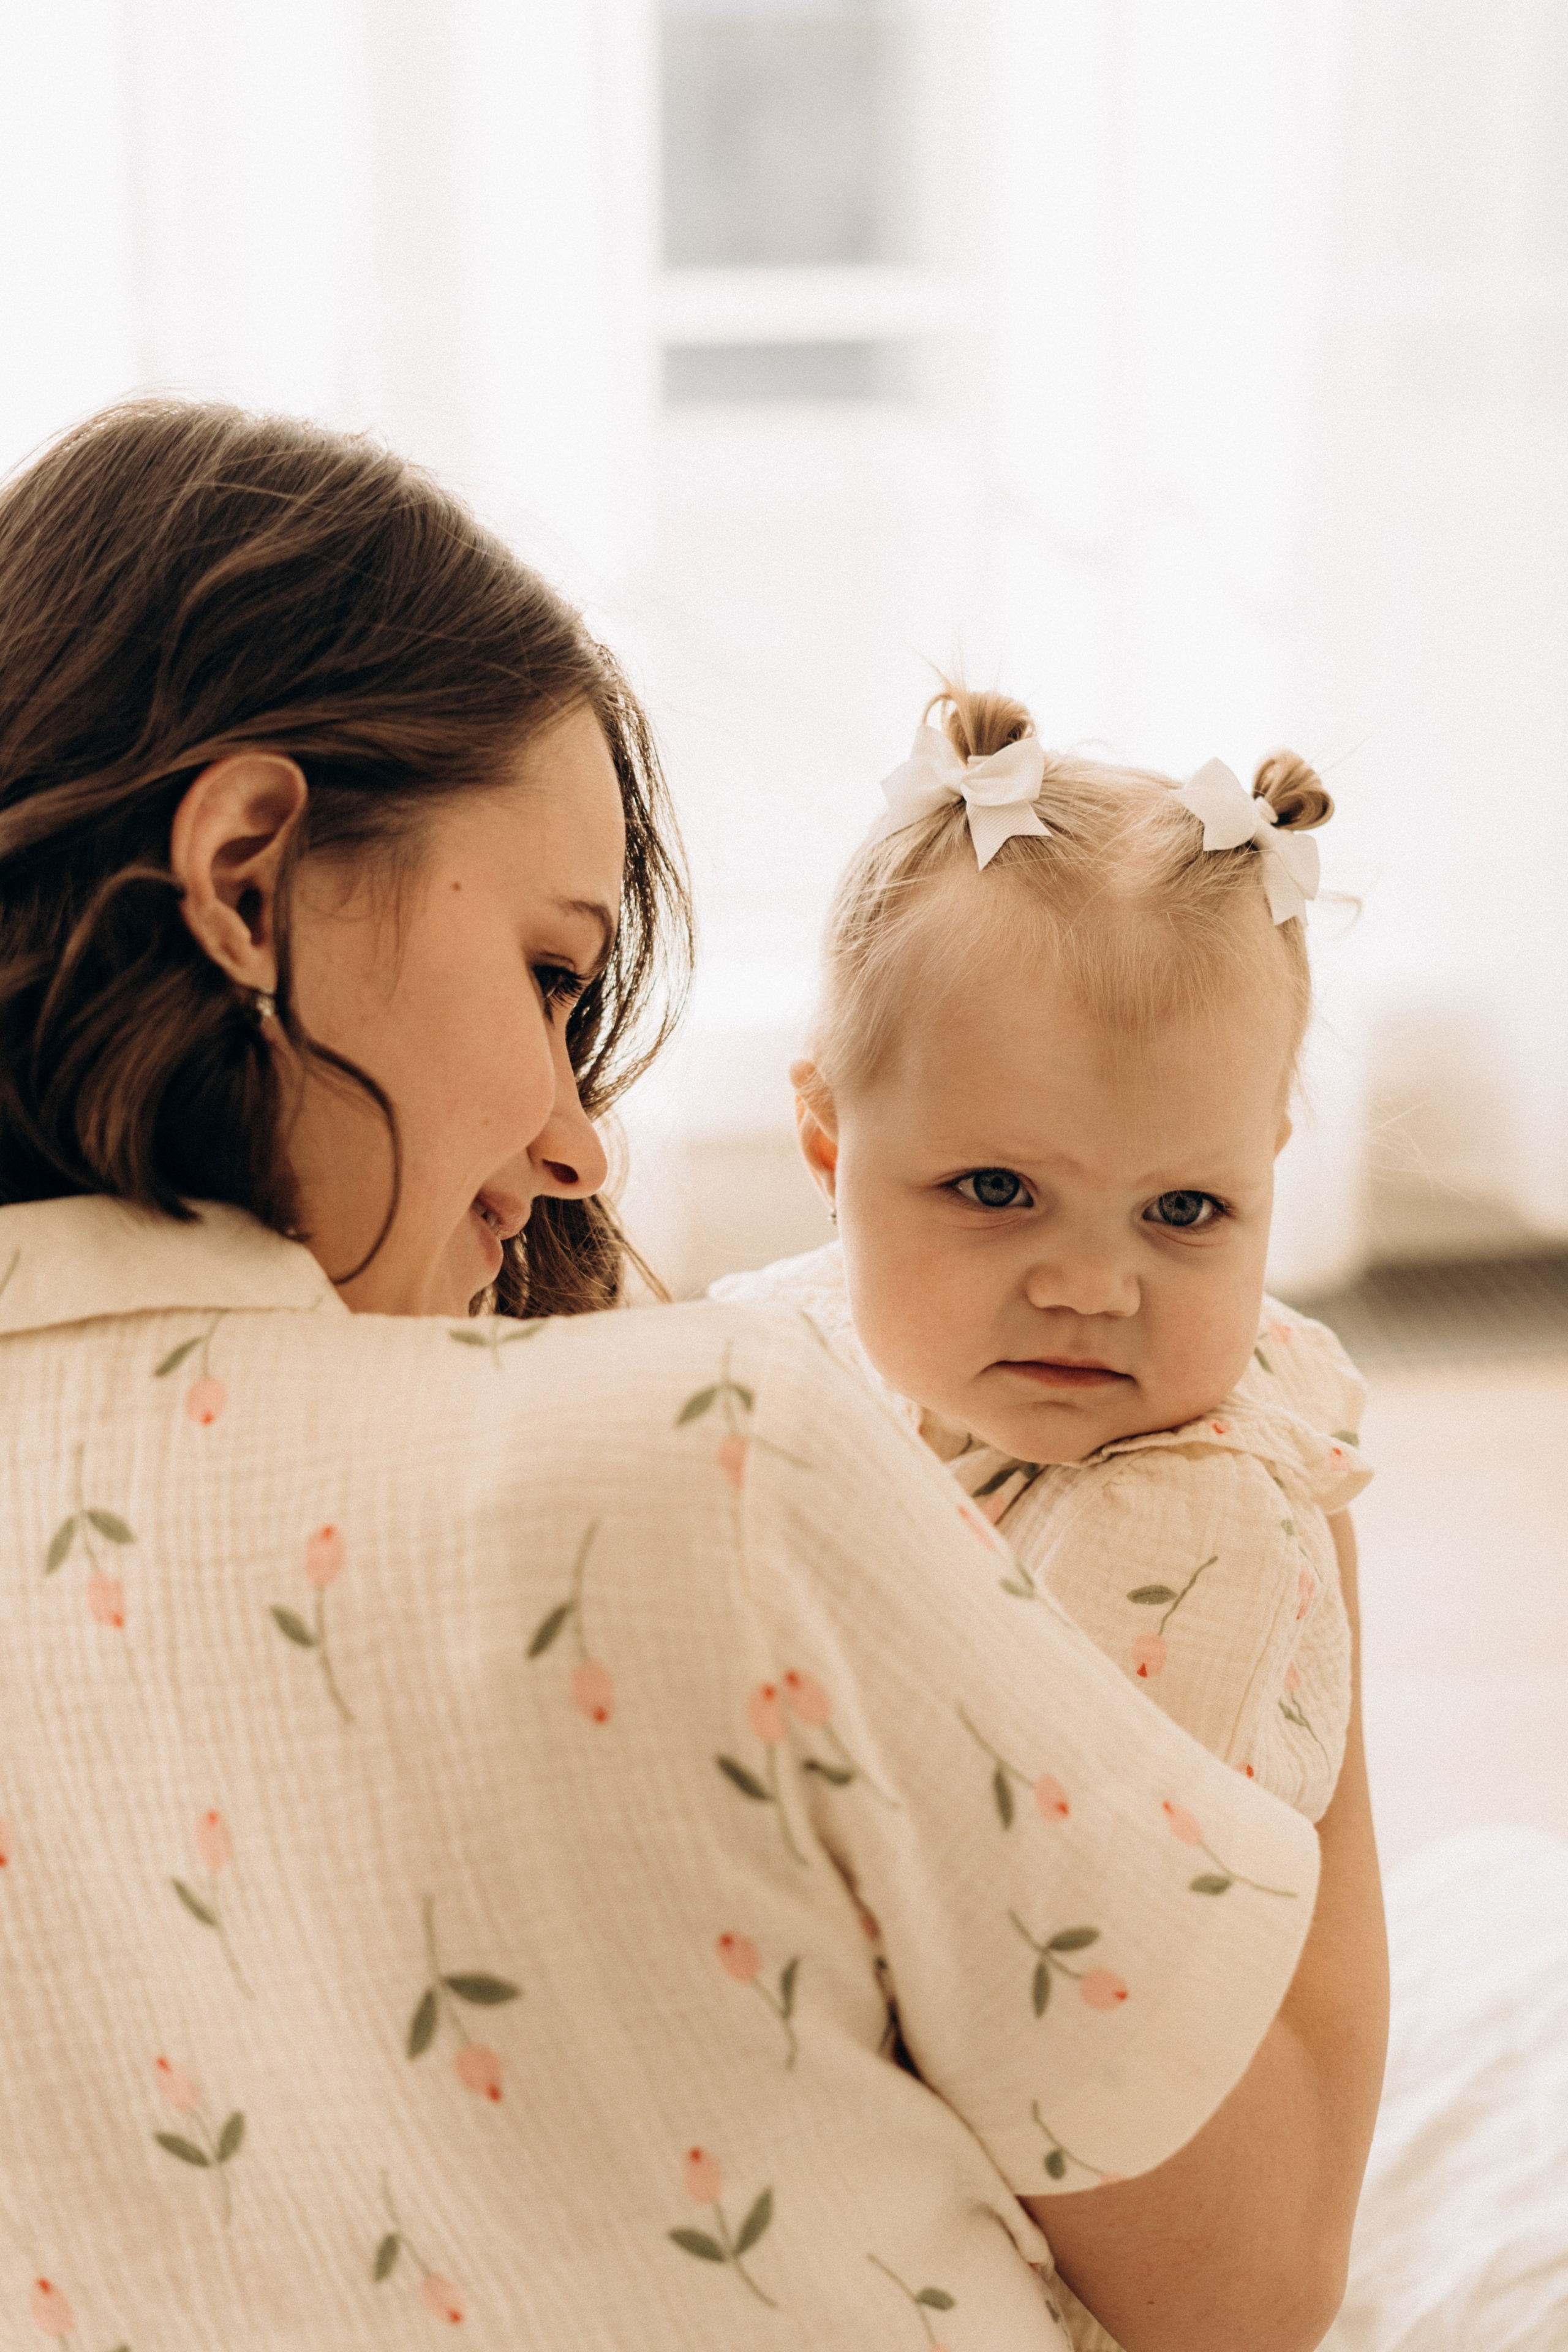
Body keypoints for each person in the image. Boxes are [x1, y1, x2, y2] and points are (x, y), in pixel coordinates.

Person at [0, 402, 1384, 2351]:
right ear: (243, 880)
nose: (580, 1145)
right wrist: (1297, 1518)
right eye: (554, 975)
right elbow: (1247, 2288)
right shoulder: (724, 1457)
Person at [715, 687, 1365, 1825]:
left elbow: (1312, 1838)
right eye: (997, 1191)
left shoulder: (1220, 1518)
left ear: (1265, 1171)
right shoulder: (772, 1370)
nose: (1090, 1289)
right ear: (829, 1147)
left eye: (1184, 1209)